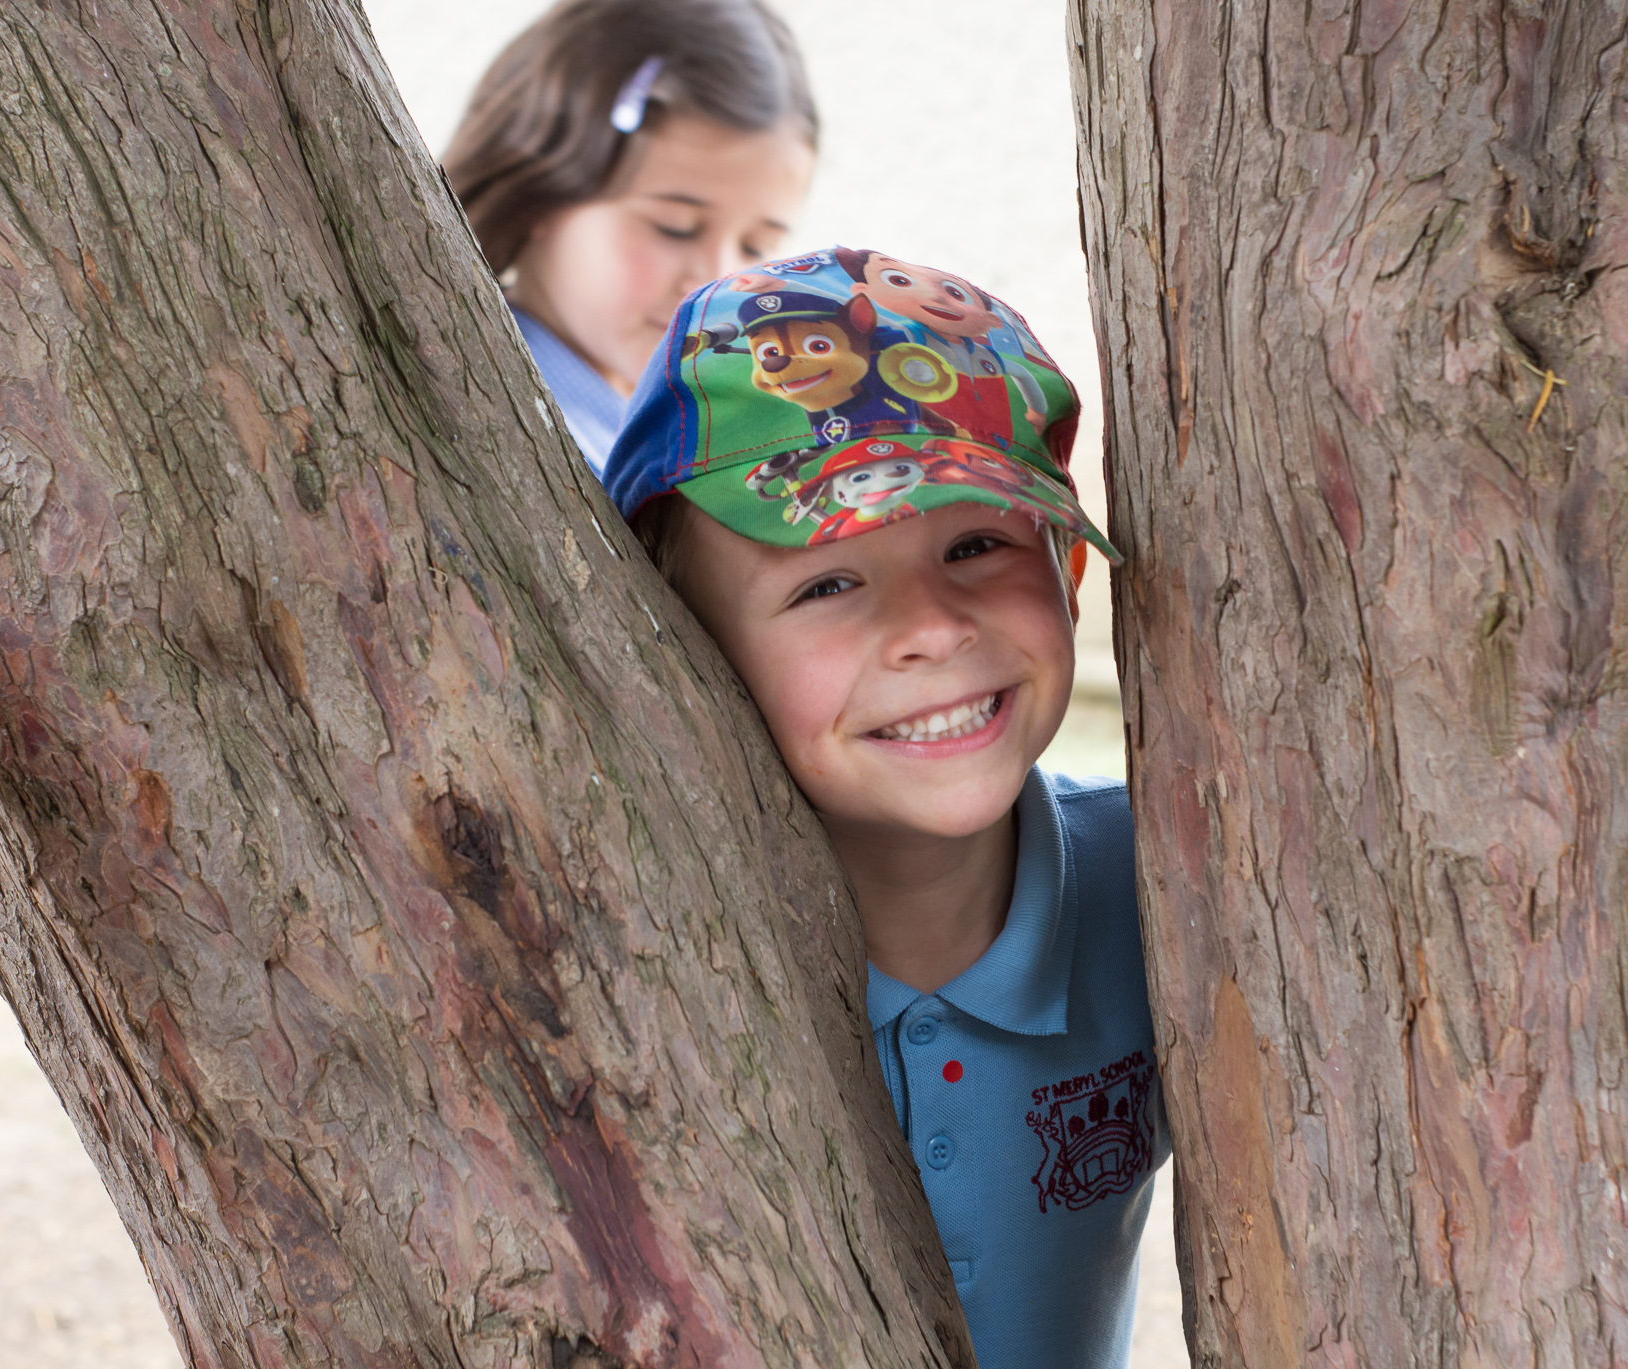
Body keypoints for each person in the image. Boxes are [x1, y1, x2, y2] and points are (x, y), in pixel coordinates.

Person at [602, 247, 1168, 1369]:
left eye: (974, 545)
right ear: (681, 645)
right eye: (826, 583)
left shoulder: (1162, 883)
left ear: (1066, 567)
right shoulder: (639, 946)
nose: (933, 628)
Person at [444, 0, 816, 470]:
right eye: (674, 228)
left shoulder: (691, 436)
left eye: (756, 247)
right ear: (545, 191)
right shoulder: (491, 414)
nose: (717, 282)